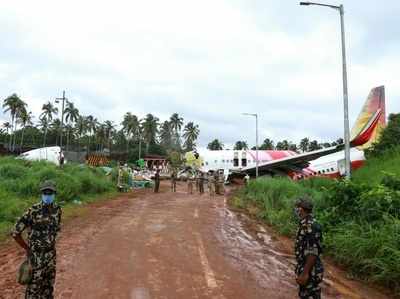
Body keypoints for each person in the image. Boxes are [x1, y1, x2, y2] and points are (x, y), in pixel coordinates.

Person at [12, 180, 62, 299]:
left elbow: (55, 230)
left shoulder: (58, 210)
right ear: (41, 193)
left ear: (54, 193)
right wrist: (27, 248)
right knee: (33, 290)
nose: (48, 195)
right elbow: (15, 232)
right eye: (45, 192)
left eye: (50, 192)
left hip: (51, 256)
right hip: (36, 257)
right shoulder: (33, 211)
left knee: (48, 288)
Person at [294, 196, 324, 299]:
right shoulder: (306, 223)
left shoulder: (310, 225)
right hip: (307, 267)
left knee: (308, 295)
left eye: (297, 207)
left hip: (311, 270)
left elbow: (312, 251)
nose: (296, 210)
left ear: (301, 209)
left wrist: (305, 273)